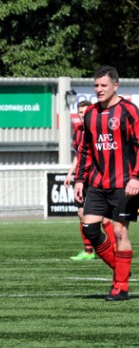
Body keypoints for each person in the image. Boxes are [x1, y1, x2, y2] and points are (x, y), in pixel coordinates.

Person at [75, 65, 139, 301]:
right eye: (96, 85)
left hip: (125, 183)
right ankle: (120, 269)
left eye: (103, 85)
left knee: (121, 232)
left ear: (115, 86)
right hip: (98, 184)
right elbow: (86, 150)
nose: (99, 89)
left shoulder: (129, 111)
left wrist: (136, 176)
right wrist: (80, 179)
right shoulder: (91, 114)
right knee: (89, 228)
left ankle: (120, 286)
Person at [65, 100, 116, 261]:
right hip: (82, 179)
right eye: (80, 112)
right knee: (81, 213)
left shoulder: (99, 130)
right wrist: (70, 173)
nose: (83, 115)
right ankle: (88, 251)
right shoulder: (78, 131)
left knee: (103, 217)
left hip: (96, 178)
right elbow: (79, 155)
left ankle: (114, 248)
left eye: (85, 112)